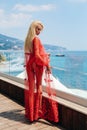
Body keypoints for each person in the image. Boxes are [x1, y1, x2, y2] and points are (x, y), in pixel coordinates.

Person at [24, 20, 59, 123]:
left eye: (40, 30)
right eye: (38, 29)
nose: (39, 32)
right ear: (33, 28)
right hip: (37, 65)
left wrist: (44, 55)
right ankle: (36, 113)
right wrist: (47, 63)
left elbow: (33, 54)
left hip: (30, 64)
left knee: (31, 90)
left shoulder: (28, 40)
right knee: (39, 88)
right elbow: (38, 55)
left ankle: (31, 114)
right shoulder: (36, 39)